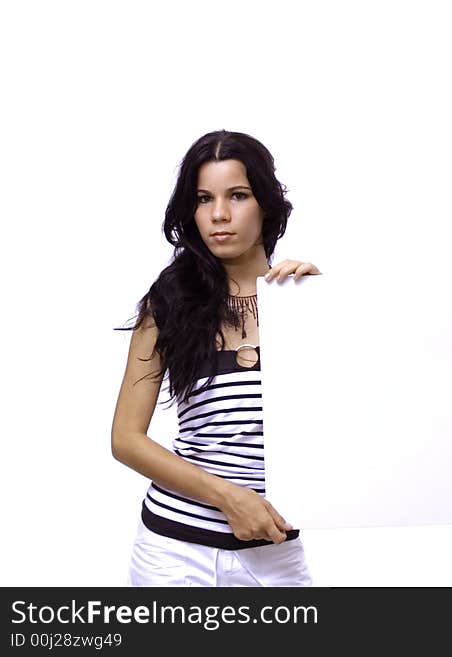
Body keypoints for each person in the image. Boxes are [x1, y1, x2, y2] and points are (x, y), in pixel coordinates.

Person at [111, 130, 319, 586]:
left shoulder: (307, 302)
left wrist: (327, 310)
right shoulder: (169, 303)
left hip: (275, 552)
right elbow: (126, 438)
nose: (219, 215)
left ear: (266, 202)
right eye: (204, 199)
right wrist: (228, 497)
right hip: (173, 551)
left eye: (238, 195)